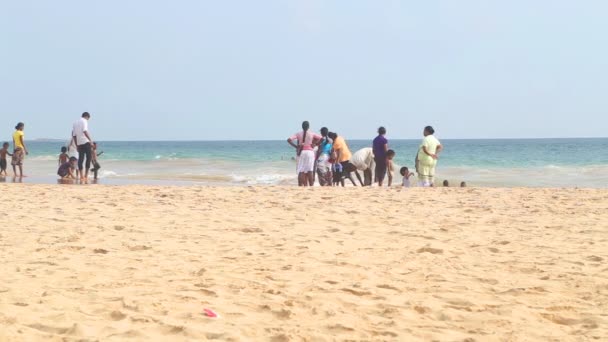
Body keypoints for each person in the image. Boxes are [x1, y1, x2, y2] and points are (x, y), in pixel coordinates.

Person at [287, 121, 322, 186]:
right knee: (310, 170)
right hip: (310, 152)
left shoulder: (298, 134)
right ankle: (311, 186)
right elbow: (322, 138)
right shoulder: (312, 133)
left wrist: (296, 146)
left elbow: (288, 140)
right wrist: (315, 144)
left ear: (302, 126)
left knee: (301, 170)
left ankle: (301, 185)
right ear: (308, 127)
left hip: (302, 152)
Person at [72, 112, 93, 180]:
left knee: (81, 159)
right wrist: (90, 140)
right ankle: (86, 175)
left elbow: (74, 136)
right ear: (87, 117)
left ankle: (81, 176)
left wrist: (76, 144)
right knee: (88, 158)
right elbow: (85, 131)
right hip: (86, 142)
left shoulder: (75, 123)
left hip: (79, 143)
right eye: (88, 118)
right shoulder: (84, 121)